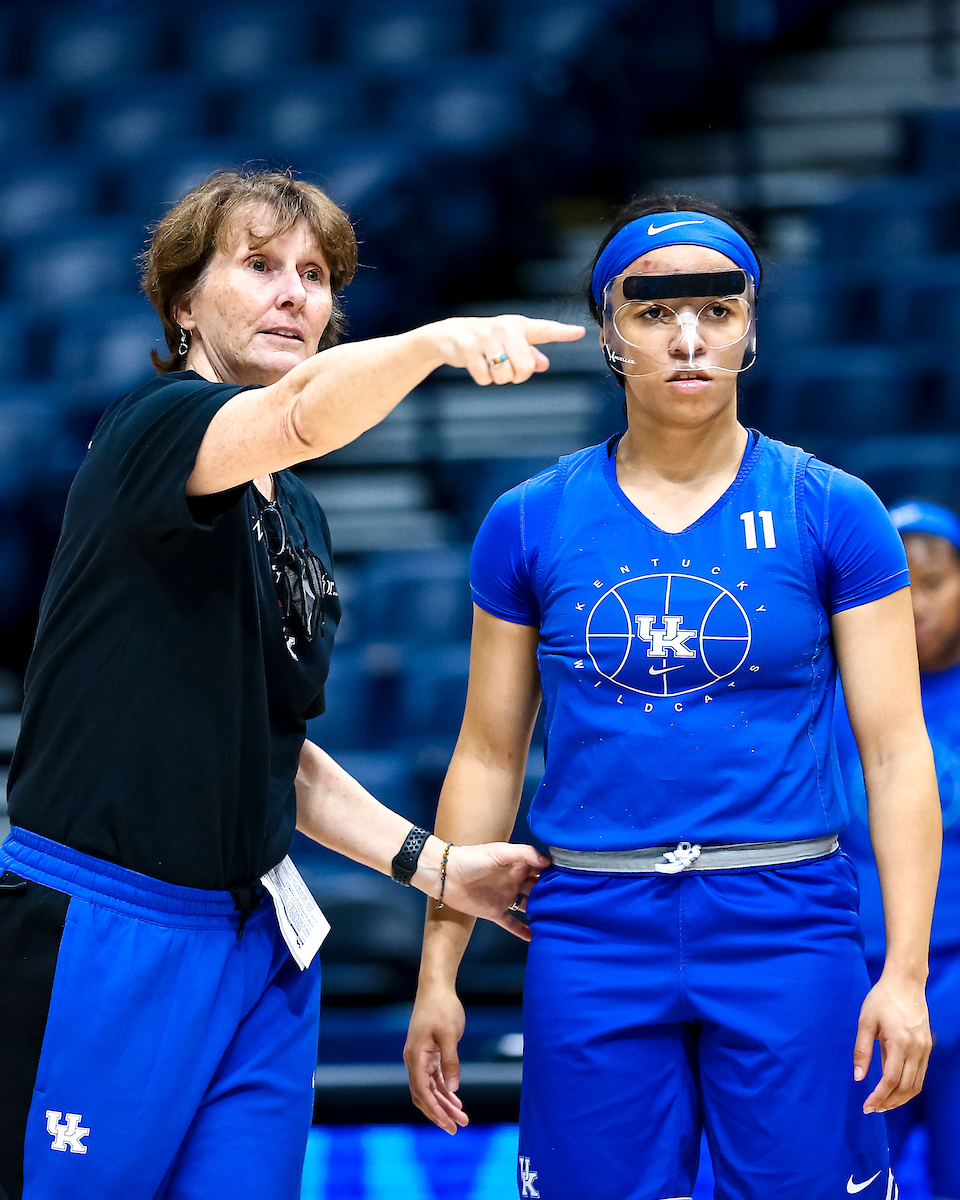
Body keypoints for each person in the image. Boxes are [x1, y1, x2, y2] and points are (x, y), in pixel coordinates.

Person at [0, 168, 585, 1200]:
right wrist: (431, 343)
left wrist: (439, 868)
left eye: (314, 275)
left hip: (255, 948)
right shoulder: (153, 426)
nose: (293, 294)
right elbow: (303, 416)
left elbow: (282, 757)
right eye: (260, 266)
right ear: (185, 303)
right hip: (105, 928)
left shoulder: (301, 523)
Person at [404, 194, 943, 1200]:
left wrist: (902, 973)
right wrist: (440, 972)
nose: (688, 338)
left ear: (751, 326)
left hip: (788, 916)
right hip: (594, 922)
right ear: (609, 331)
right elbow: (487, 755)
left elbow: (896, 753)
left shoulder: (835, 510)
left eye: (718, 309)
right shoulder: (527, 522)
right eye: (652, 311)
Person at [838, 499, 960, 1200]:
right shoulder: (830, 694)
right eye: (899, 583)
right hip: (856, 994)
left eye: (935, 581)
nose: (916, 604)